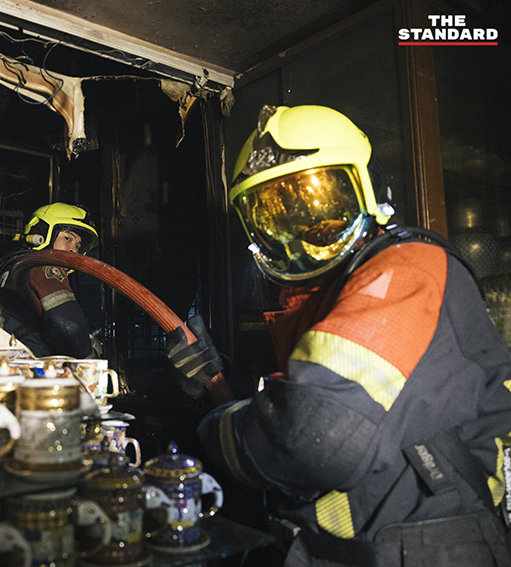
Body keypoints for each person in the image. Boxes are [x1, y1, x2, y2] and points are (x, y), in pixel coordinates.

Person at [167, 104, 511, 566]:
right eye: (277, 219)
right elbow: (315, 398)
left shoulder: (408, 269)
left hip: (428, 551)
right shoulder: (325, 296)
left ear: (368, 189)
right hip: (343, 549)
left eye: (321, 211)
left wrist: (217, 424)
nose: (301, 237)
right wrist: (220, 381)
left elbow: (315, 436)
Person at [0, 202, 100, 358]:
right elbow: (68, 324)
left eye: (78, 246)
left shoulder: (9, 263)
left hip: (5, 356)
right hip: (33, 365)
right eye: (67, 238)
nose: (74, 250)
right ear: (44, 233)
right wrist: (90, 358)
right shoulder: (43, 266)